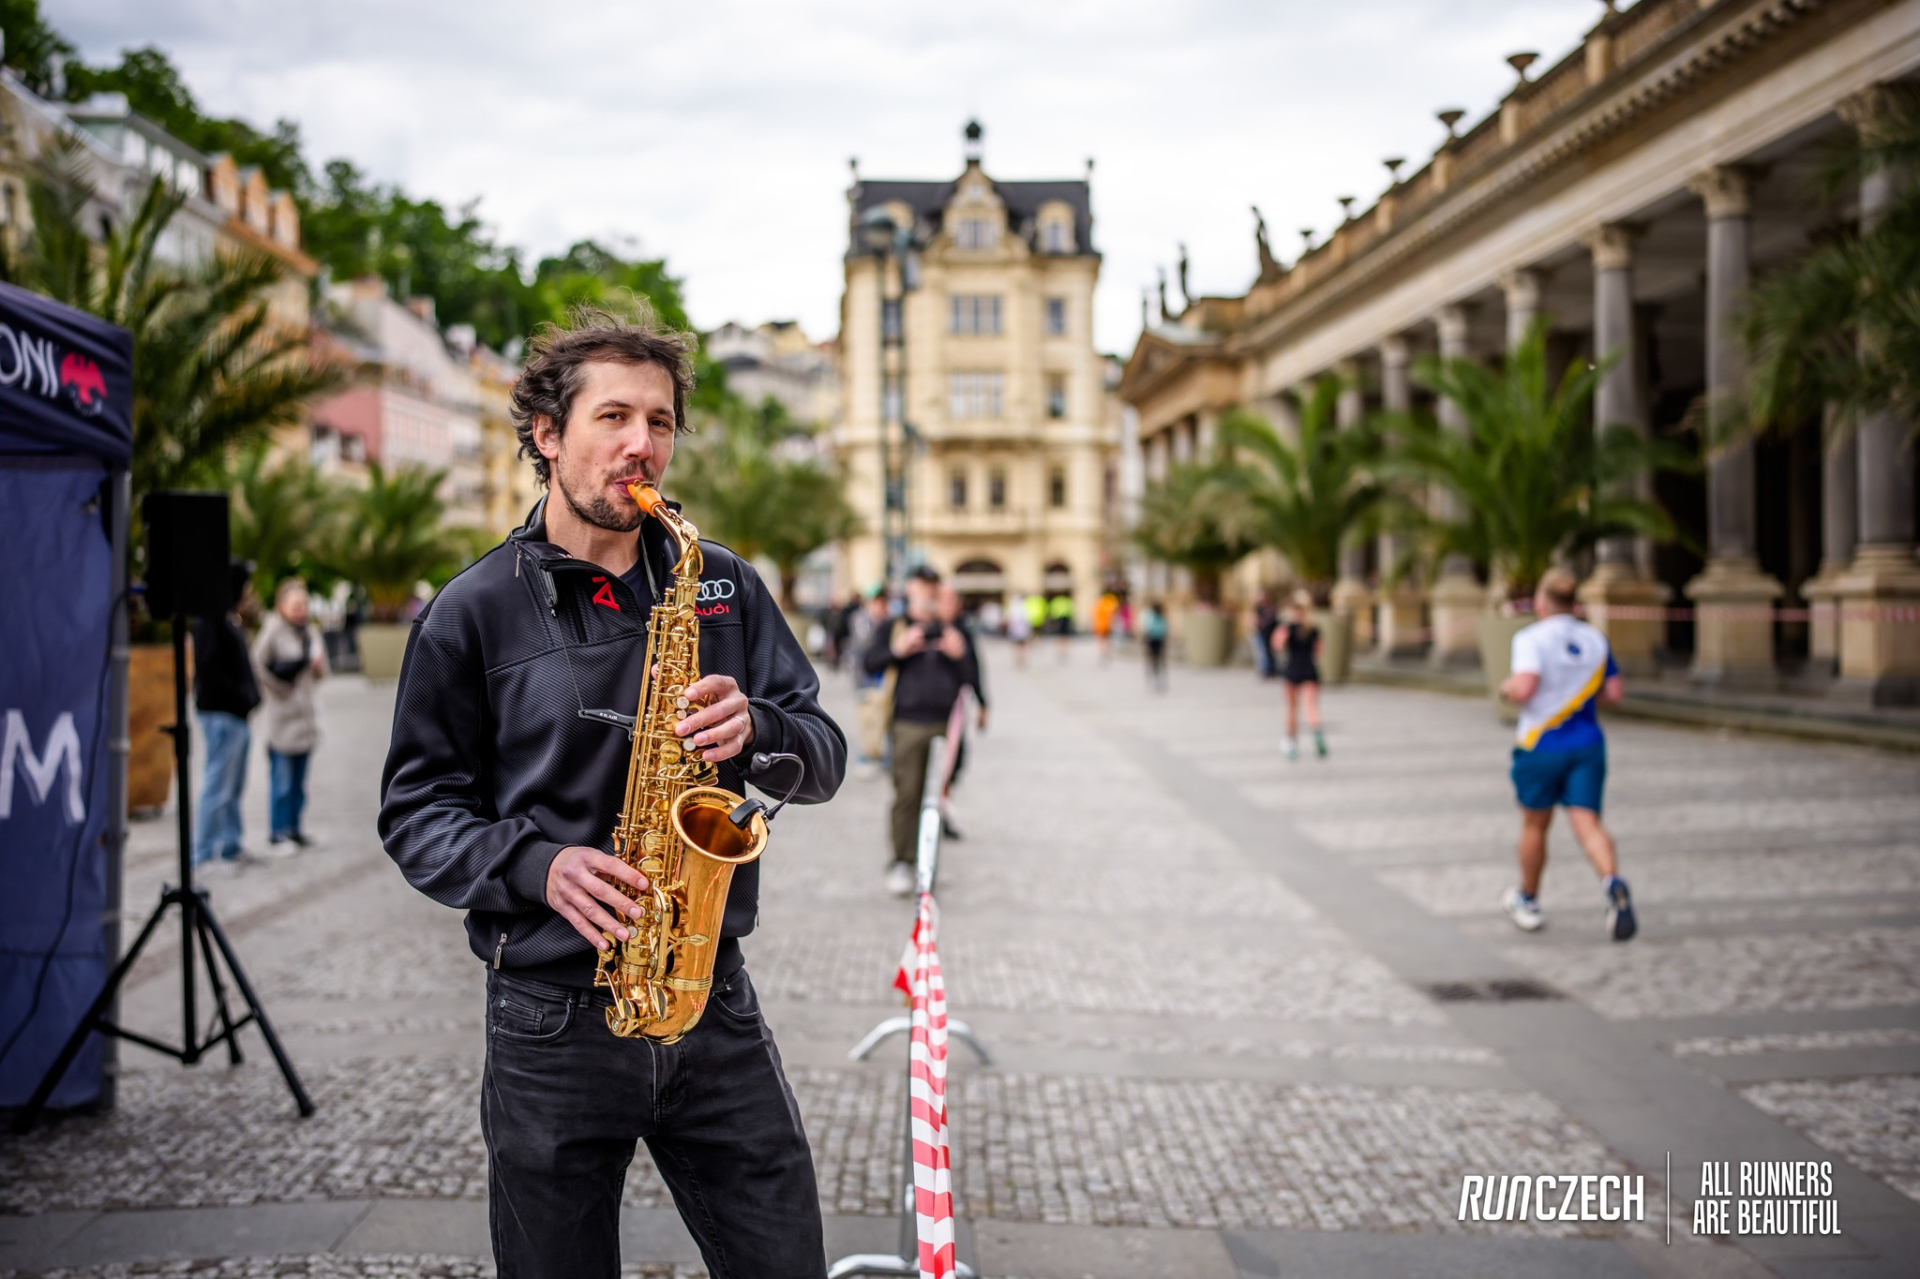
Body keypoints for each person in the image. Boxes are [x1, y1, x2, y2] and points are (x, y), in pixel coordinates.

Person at [378, 304, 847, 1279]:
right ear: (547, 436)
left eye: (663, 422)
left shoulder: (721, 586)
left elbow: (826, 753)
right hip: (552, 1015)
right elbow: (416, 811)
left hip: (709, 999)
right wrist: (537, 867)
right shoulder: (472, 610)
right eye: (614, 418)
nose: (644, 445)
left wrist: (760, 726)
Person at [1498, 567, 1636, 942]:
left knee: (1534, 825)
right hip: (1588, 742)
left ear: (1542, 602)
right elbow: (1614, 694)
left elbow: (1525, 688)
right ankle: (1612, 883)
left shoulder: (1530, 638)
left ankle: (1528, 898)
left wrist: (1506, 688)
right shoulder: (1594, 638)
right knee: (1587, 822)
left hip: (1541, 744)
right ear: (1574, 603)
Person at [861, 566, 974, 896]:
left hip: (946, 723)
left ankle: (928, 864)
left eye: (933, 588)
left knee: (937, 799)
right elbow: (869, 663)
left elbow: (971, 673)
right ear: (910, 589)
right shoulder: (894, 627)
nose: (928, 594)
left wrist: (960, 654)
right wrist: (898, 649)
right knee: (907, 793)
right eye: (923, 587)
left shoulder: (951, 628)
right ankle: (901, 861)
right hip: (908, 722)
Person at [191, 561, 261, 876]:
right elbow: (209, 670)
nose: (248, 592)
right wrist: (241, 696)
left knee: (232, 786)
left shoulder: (227, 617)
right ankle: (203, 854)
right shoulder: (210, 619)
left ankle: (230, 845)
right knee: (217, 785)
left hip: (236, 716)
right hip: (222, 715)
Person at [252, 577, 328, 850]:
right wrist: (281, 687)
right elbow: (258, 667)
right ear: (281, 605)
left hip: (306, 720)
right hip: (282, 720)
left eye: (303, 604)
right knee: (281, 783)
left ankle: (295, 829)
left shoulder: (311, 632)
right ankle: (278, 832)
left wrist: (318, 668)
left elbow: (322, 672)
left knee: (298, 784)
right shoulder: (272, 631)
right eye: (295, 604)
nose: (300, 609)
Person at [934, 583, 989, 840]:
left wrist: (983, 703)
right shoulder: (925, 629)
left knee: (954, 761)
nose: (949, 606)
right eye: (943, 600)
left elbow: (974, 669)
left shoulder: (964, 631)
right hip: (926, 712)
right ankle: (933, 813)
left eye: (952, 600)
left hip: (955, 708)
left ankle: (942, 809)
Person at [1274, 590, 1326, 760]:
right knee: (1311, 707)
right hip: (1310, 669)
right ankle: (1318, 736)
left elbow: (1277, 647)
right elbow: (1319, 651)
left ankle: (1291, 744)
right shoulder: (1313, 629)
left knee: (1292, 709)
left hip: (1293, 670)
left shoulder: (1287, 628)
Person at [850, 586, 893, 776]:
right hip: (866, 680)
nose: (880, 606)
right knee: (868, 719)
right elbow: (865, 645)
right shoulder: (861, 620)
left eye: (883, 602)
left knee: (887, 717)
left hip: (885, 679)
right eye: (876, 602)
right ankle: (868, 756)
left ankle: (886, 757)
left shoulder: (889, 622)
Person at [1142, 599, 1170, 692]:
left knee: (1157, 660)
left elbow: (1164, 629)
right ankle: (1154, 678)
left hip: (1157, 640)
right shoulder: (1152, 617)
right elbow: (1149, 629)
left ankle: (1157, 678)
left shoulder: (1159, 617)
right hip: (1153, 640)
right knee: (1154, 660)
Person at [1251, 594, 1280, 679]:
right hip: (1262, 634)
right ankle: (1266, 670)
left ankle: (1271, 670)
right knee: (1263, 653)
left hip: (1270, 634)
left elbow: (1268, 621)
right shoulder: (1259, 610)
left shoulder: (1271, 610)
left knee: (1270, 653)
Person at [1092, 590, 1119, 663]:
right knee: (1106, 640)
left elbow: (1094, 615)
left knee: (1102, 640)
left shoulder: (1098, 603)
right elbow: (1112, 613)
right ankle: (1105, 652)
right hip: (1107, 624)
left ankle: (1103, 653)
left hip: (1100, 625)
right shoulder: (1108, 602)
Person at [1007, 591, 1033, 666]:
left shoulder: (1014, 606)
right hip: (1021, 629)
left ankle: (1019, 657)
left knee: (1018, 644)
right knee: (1021, 644)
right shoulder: (1023, 606)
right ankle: (1021, 657)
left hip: (1018, 629)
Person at [1048, 592, 1074, 661]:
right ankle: (1064, 649)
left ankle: (1060, 649)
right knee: (1065, 635)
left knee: (1059, 635)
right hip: (1065, 618)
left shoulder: (1056, 600)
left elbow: (1052, 610)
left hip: (1058, 619)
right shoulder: (1066, 600)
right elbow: (1071, 610)